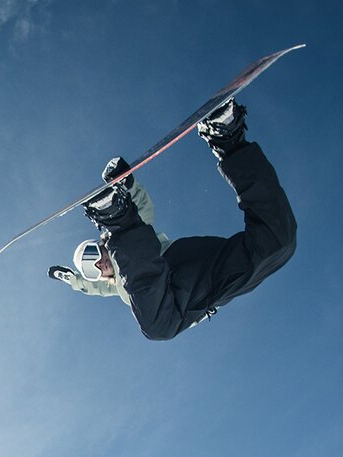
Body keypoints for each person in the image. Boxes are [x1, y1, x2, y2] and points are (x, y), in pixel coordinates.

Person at [50, 99, 297, 342]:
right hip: (208, 293)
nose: (99, 265)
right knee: (277, 242)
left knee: (158, 326)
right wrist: (72, 279)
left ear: (101, 244)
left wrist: (128, 184)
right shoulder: (114, 285)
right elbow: (91, 288)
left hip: (173, 268)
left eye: (93, 255)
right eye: (91, 269)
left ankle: (116, 216)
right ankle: (228, 140)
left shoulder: (134, 252)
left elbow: (144, 208)